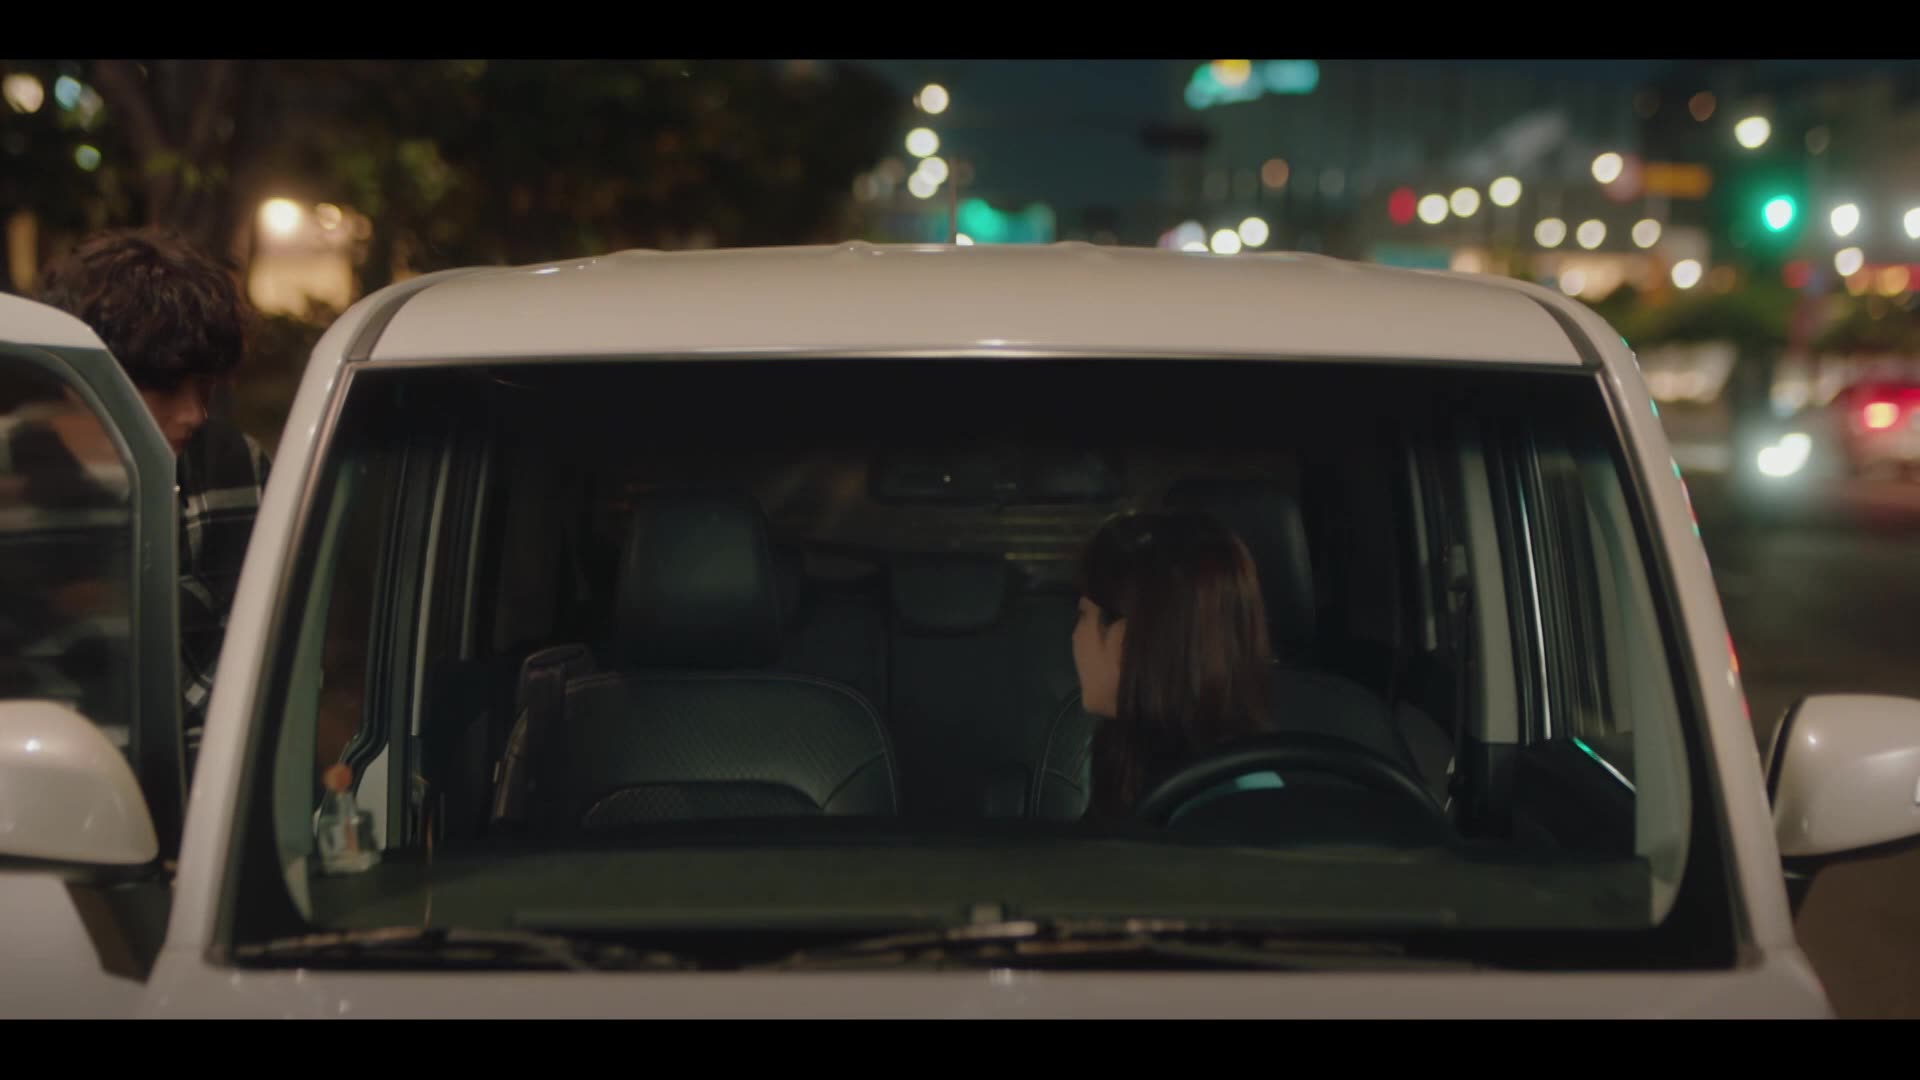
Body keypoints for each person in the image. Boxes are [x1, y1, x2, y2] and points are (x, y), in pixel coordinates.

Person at [36, 228, 271, 775]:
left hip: (206, 795)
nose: (195, 413)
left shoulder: (237, 471)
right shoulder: (18, 474)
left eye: (205, 386)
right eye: (166, 387)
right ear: (81, 380)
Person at [1071, 509, 1275, 821]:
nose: (1074, 636)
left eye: (1083, 615)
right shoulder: (1117, 753)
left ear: (1126, 638)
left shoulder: (1246, 802)